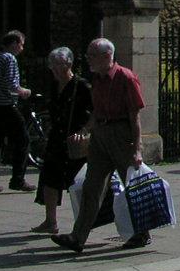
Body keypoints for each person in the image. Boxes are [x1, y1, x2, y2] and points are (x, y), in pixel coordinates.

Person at [52, 38, 150, 254]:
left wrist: (137, 148)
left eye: (92, 55)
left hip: (121, 135)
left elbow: (135, 116)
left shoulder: (126, 77)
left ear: (107, 56)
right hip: (100, 135)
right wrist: (85, 130)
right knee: (91, 187)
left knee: (131, 185)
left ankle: (142, 232)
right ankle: (78, 237)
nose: (88, 59)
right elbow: (96, 111)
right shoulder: (97, 79)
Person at [31, 47, 93, 234]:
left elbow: (96, 112)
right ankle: (51, 221)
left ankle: (83, 223)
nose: (55, 69)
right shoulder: (54, 85)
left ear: (69, 64)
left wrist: (84, 130)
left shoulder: (82, 86)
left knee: (78, 183)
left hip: (75, 140)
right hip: (57, 138)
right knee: (49, 178)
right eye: (52, 65)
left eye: (58, 65)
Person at [0, 29, 33, 195]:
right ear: (15, 43)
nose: (22, 48)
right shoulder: (9, 58)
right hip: (6, 106)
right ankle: (18, 179)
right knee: (23, 140)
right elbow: (11, 84)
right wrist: (24, 91)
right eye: (21, 45)